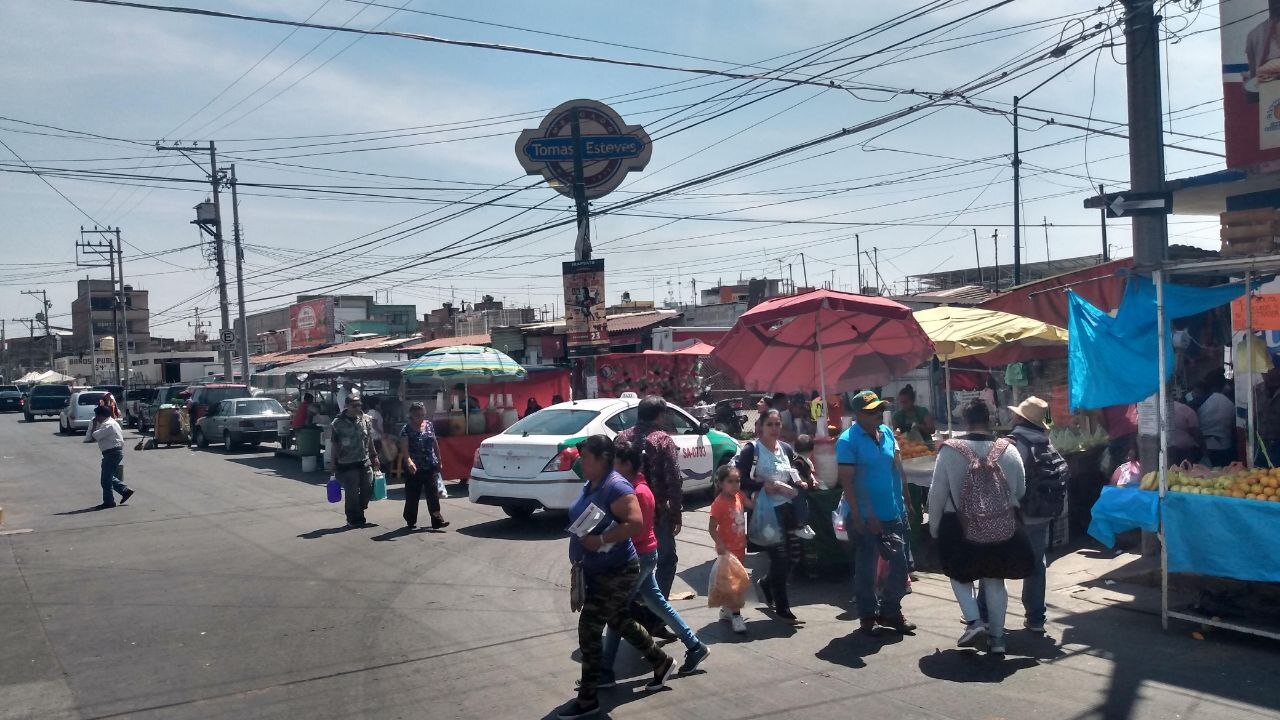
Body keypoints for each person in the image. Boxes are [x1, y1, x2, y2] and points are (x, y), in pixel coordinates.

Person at [560, 436, 674, 720]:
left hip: (618, 570)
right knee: (620, 620)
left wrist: (600, 540)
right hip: (596, 570)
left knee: (589, 628)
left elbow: (635, 523)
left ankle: (588, 699)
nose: (581, 462)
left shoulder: (616, 485)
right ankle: (661, 662)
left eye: (586, 458)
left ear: (602, 459)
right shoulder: (593, 483)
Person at [601, 440, 709, 682]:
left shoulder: (636, 492)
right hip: (647, 555)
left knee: (616, 612)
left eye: (616, 463)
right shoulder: (639, 487)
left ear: (627, 464)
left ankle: (605, 670)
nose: (612, 468)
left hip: (638, 557)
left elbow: (631, 530)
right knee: (659, 605)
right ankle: (695, 646)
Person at [928, 399, 1028, 656]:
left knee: (959, 574)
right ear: (991, 420)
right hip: (1002, 524)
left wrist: (934, 527)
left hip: (958, 524)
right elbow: (1019, 490)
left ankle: (973, 622)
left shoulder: (950, 450)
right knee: (995, 580)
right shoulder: (1009, 449)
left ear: (965, 420)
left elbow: (937, 493)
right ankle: (998, 640)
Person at [984, 396, 1066, 636]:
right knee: (1036, 563)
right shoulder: (1046, 443)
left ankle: (985, 615)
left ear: (1020, 418)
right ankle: (1035, 618)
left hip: (1014, 514)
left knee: (993, 561)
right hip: (1042, 514)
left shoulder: (1010, 444)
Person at [836, 390, 915, 635]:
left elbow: (897, 468)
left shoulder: (888, 433)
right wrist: (861, 516)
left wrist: (908, 501)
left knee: (901, 567)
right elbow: (848, 482)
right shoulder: (848, 440)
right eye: (872, 411)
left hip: (894, 510)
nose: (878, 414)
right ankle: (867, 614)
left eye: (879, 409)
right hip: (866, 515)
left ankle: (890, 609)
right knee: (867, 568)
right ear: (858, 414)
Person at [735, 408, 813, 625]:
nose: (775, 429)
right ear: (760, 426)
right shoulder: (752, 450)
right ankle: (783, 607)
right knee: (780, 557)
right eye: (770, 424)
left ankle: (767, 583)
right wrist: (763, 485)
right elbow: (738, 480)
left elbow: (794, 472)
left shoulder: (786, 449)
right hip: (766, 512)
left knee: (793, 556)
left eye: (778, 424)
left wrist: (799, 482)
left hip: (788, 509)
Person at [616, 396, 682, 601]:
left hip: (624, 509)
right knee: (666, 559)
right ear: (660, 415)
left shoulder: (621, 438)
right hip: (657, 511)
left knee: (629, 559)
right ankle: (655, 611)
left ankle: (633, 605)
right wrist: (676, 514)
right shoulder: (662, 440)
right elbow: (674, 479)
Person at [708, 465, 753, 634]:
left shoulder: (739, 496)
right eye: (730, 481)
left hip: (741, 548)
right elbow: (712, 528)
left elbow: (752, 504)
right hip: (727, 552)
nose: (735, 485)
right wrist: (720, 544)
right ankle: (736, 615)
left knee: (735, 582)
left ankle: (727, 610)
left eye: (737, 481)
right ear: (720, 483)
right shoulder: (718, 504)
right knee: (734, 584)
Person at [327, 394, 381, 527]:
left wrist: (375, 456)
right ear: (346, 406)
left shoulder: (366, 419)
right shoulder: (337, 423)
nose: (357, 407)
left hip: (364, 460)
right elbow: (335, 444)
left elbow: (369, 440)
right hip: (347, 462)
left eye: (359, 405)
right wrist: (332, 462)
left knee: (367, 489)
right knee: (352, 493)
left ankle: (360, 511)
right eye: (354, 405)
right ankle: (353, 518)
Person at [400, 402, 447, 530]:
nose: (419, 418)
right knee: (412, 495)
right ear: (411, 415)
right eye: (416, 415)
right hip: (414, 468)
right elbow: (404, 450)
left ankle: (437, 519)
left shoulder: (429, 425)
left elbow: (434, 442)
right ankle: (410, 519)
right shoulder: (406, 429)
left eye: (422, 415)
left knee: (433, 494)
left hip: (429, 465)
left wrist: (439, 460)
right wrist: (409, 462)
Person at [84, 405, 134, 509]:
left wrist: (93, 425)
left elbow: (95, 436)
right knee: (108, 476)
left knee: (105, 479)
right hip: (112, 453)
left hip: (112, 453)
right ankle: (124, 490)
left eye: (97, 416)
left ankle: (109, 501)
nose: (96, 418)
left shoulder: (108, 425)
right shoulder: (110, 423)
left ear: (101, 416)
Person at [1198, 374, 1237, 467]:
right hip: (1225, 446)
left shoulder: (1201, 401)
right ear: (1224, 386)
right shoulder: (1231, 403)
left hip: (1206, 447)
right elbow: (1233, 425)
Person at [1169, 397, 1202, 468]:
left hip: (1165, 448)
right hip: (1185, 451)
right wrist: (1203, 448)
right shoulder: (1187, 410)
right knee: (1187, 471)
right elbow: (1196, 433)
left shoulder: (1159, 408)